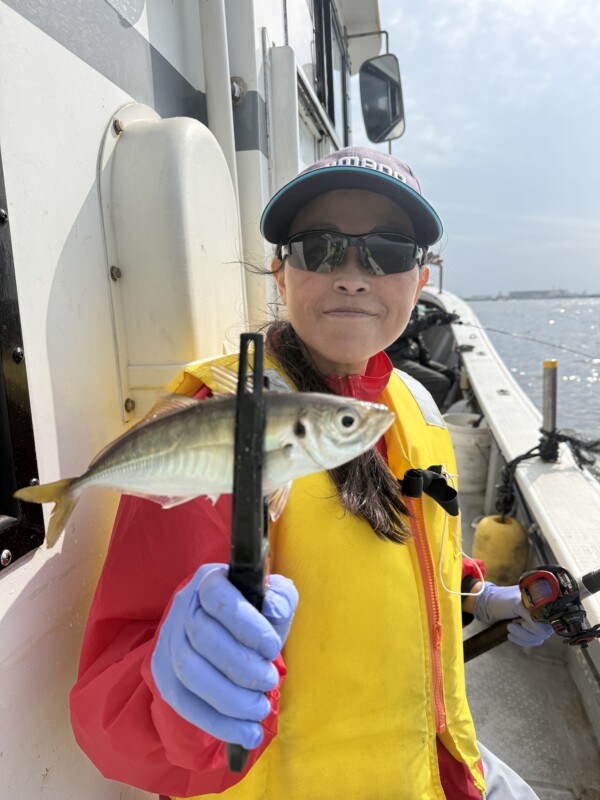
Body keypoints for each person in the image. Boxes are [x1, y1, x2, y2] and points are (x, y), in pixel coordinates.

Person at [69, 146, 553, 799]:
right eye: (321, 248)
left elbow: (409, 555)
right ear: (281, 271)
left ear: (421, 278)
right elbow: (114, 720)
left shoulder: (412, 407)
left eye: (387, 253)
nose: (353, 275)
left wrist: (476, 593)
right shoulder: (223, 433)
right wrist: (172, 694)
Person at [385, 304, 460, 409]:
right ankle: (427, 418)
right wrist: (434, 318)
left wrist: (425, 359)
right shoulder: (388, 305)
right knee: (440, 382)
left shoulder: (411, 305)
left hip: (408, 355)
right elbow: (404, 330)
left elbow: (416, 336)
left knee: (449, 374)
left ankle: (424, 406)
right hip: (391, 358)